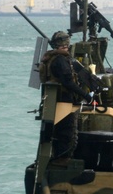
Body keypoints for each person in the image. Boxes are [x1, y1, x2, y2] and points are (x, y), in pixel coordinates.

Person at [38, 31, 95, 167]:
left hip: (54, 100)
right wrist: (87, 97)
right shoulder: (60, 61)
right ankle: (62, 161)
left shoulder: (50, 58)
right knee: (68, 134)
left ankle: (58, 158)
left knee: (59, 132)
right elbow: (68, 82)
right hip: (64, 101)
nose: (66, 46)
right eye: (64, 44)